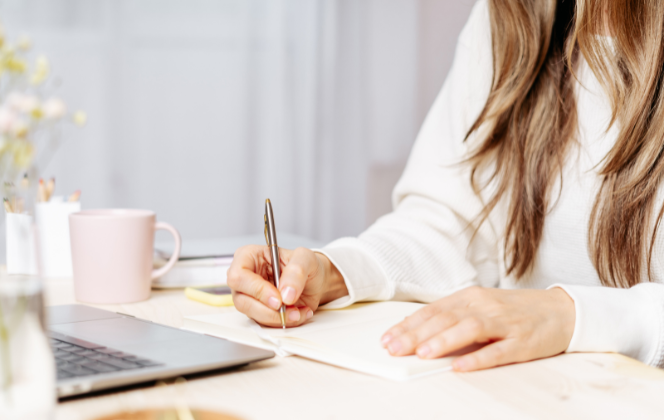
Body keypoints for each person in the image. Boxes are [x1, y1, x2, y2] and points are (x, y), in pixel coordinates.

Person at [227, 0, 664, 372]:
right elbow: (447, 223)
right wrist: (336, 272)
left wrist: (571, 316)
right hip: (526, 391)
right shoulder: (512, 16)